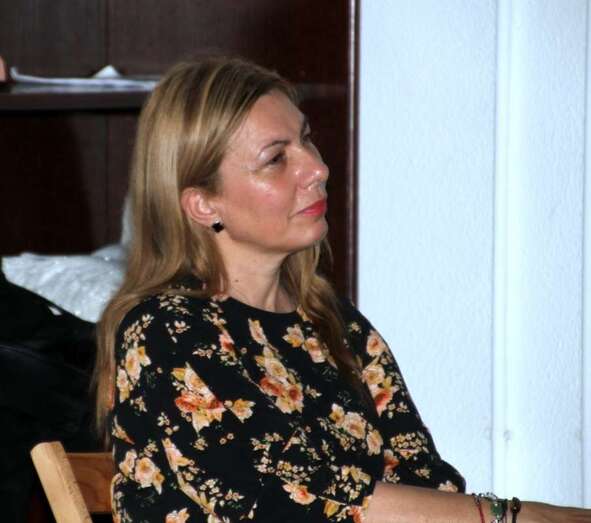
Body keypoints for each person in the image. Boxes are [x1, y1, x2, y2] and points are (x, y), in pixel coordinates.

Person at [93, 57, 591, 523]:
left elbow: (425, 482)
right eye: (276, 159)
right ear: (204, 205)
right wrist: (516, 516)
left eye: (306, 139)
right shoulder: (166, 332)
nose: (317, 169)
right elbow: (302, 501)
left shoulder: (330, 320)